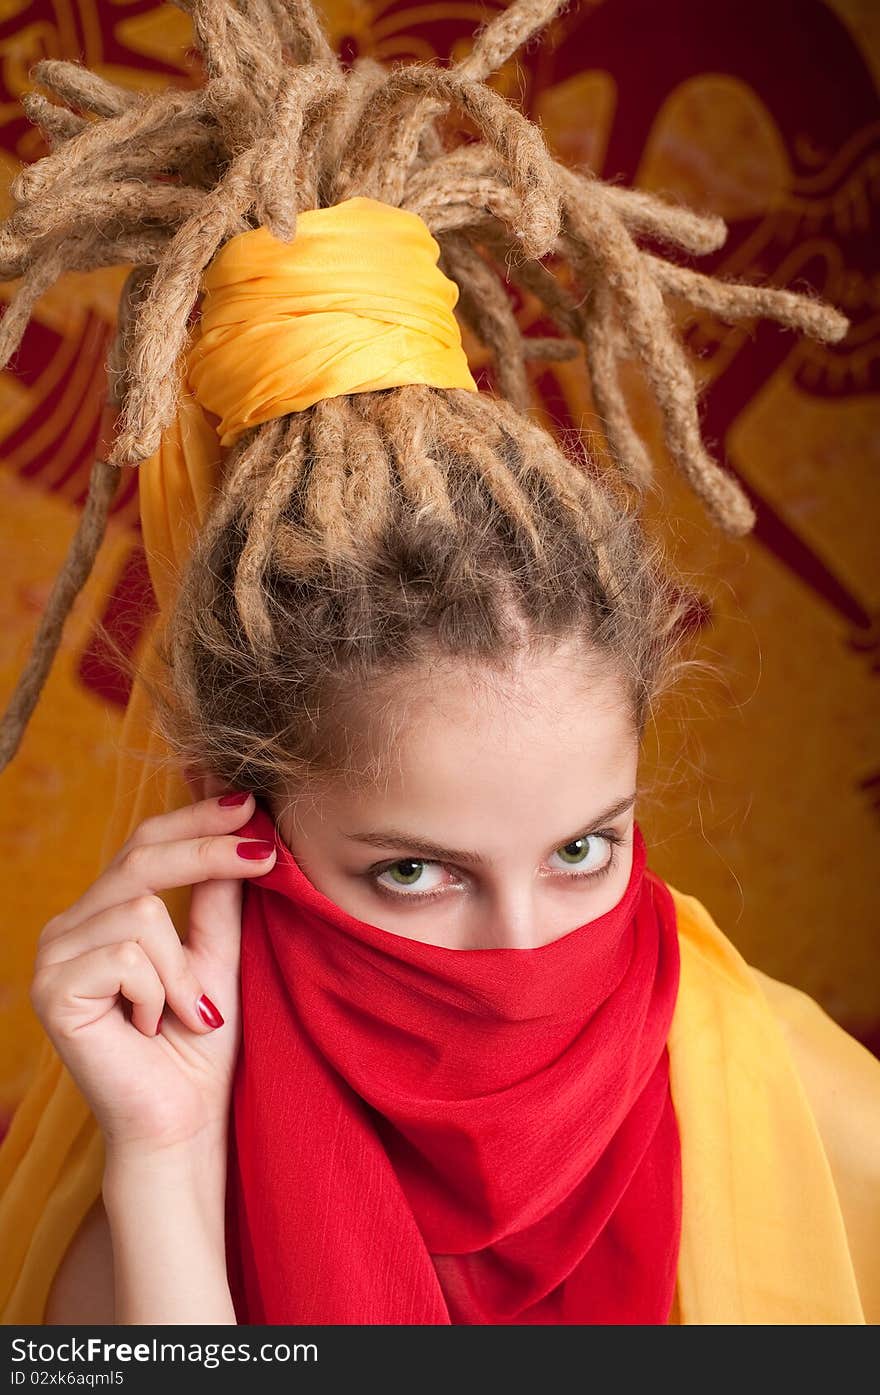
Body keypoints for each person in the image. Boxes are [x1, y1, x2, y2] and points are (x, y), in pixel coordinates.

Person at [0, 0, 878, 1326]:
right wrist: (168, 1169)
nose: (527, 956)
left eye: (586, 849)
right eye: (415, 873)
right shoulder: (145, 1156)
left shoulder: (816, 1119)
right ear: (245, 820)